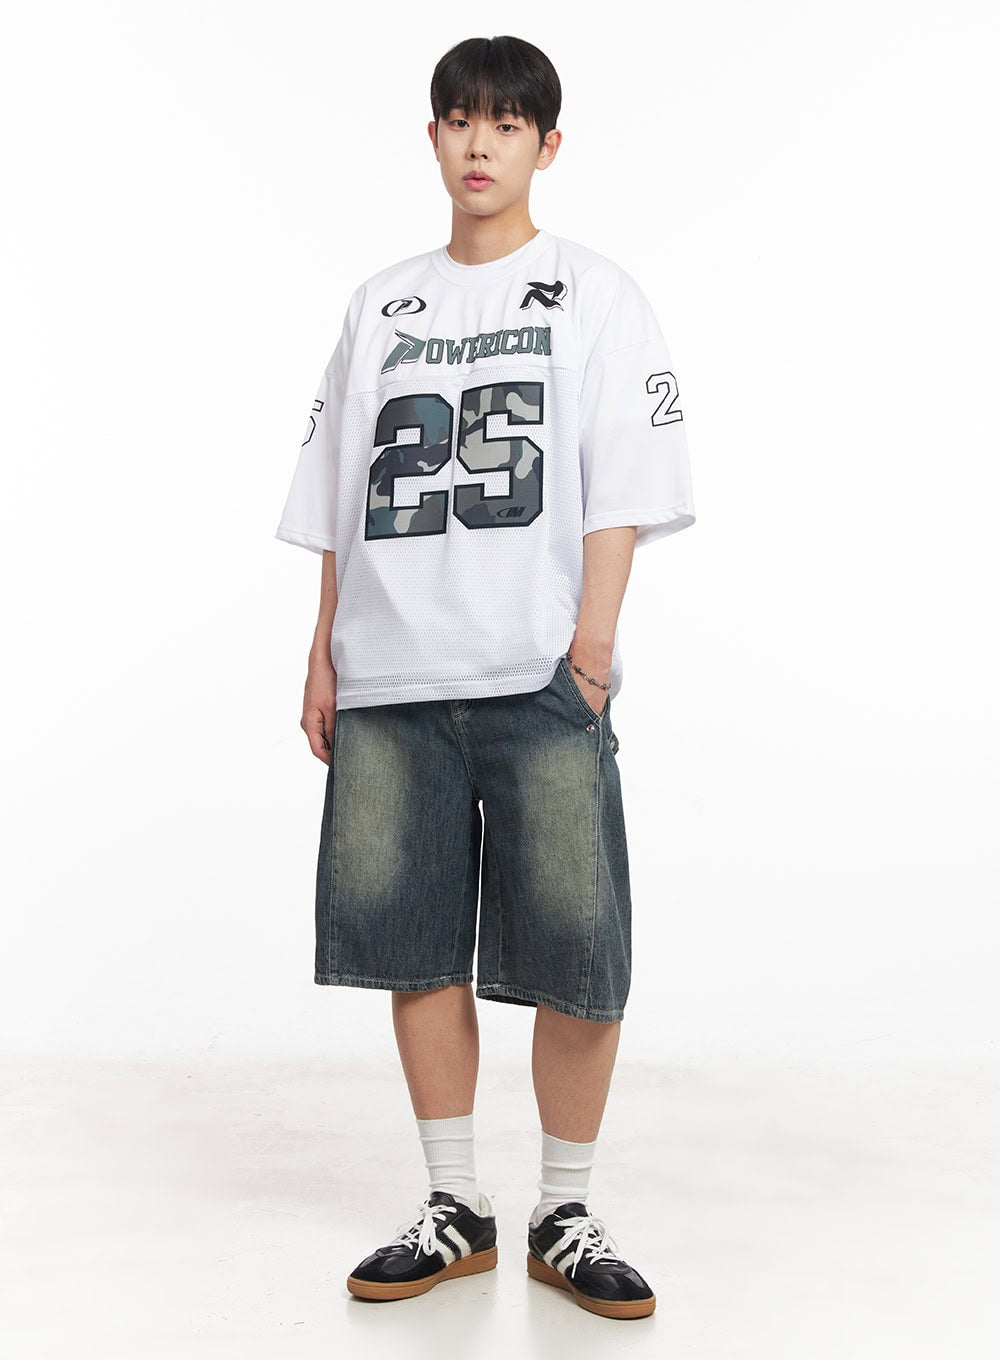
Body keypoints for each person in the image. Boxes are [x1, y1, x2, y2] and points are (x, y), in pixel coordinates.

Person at [274, 34, 695, 1320]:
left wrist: (593, 648)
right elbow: (339, 492)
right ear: (432, 136)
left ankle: (565, 1207)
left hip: (537, 674)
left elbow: (622, 477)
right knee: (413, 945)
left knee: (577, 947)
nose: (479, 144)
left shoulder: (595, 294)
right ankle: (453, 1200)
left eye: (507, 124)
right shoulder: (381, 304)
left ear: (546, 146)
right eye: (460, 119)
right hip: (391, 676)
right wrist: (323, 646)